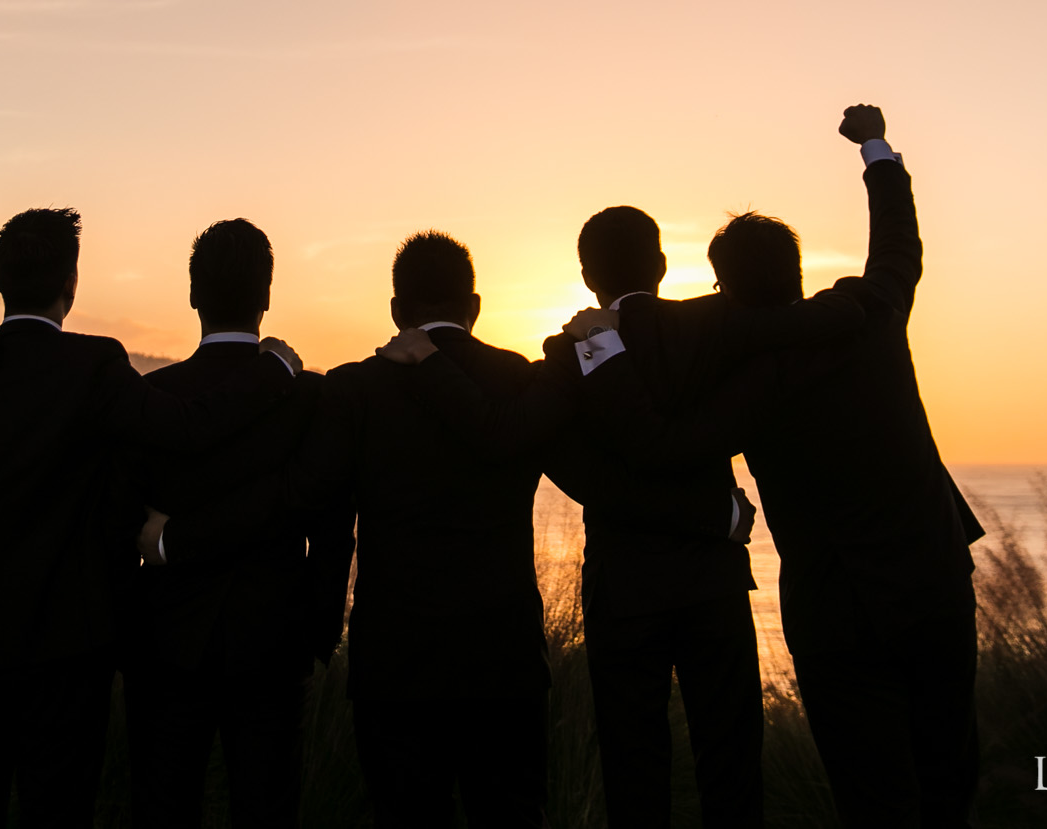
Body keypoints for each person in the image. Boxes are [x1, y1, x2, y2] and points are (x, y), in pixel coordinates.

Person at [162, 231, 737, 829]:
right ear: (476, 306)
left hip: (394, 667)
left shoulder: (356, 389)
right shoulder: (520, 380)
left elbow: (300, 498)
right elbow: (597, 484)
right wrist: (709, 518)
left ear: (395, 312)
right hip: (504, 662)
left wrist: (180, 540)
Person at [380, 210, 870, 829]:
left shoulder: (566, 356)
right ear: (663, 267)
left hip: (624, 593)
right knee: (733, 768)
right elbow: (830, 323)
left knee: (633, 774)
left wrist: (429, 361)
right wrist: (712, 514)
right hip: (712, 585)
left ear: (586, 278)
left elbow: (547, 459)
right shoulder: (716, 325)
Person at [575, 106, 983, 827]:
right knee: (950, 767)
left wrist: (603, 350)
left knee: (874, 794)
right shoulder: (874, 311)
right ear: (797, 268)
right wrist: (875, 149)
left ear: (724, 288)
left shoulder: (749, 383)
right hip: (935, 576)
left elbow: (662, 445)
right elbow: (898, 244)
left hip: (838, 612)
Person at [0, 208, 304, 829]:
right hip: (68, 654)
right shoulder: (95, 367)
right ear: (71, 284)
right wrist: (273, 369)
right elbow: (185, 429)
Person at [121, 219, 353, 829]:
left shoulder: (155, 396)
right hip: (276, 635)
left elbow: (121, 519)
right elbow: (332, 528)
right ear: (267, 297)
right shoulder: (310, 399)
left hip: (167, 638)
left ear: (193, 295)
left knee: (163, 806)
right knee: (268, 808)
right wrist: (319, 627)